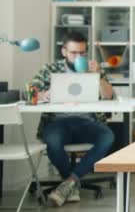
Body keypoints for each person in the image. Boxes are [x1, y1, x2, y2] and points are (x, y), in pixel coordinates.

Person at [28, 31, 115, 207]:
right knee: (52, 140)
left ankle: (69, 183)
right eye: (74, 53)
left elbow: (109, 96)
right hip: (58, 123)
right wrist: (45, 94)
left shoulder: (93, 69)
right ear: (64, 51)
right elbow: (31, 93)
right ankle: (71, 184)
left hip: (87, 123)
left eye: (82, 53)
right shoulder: (50, 69)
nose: (78, 57)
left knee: (107, 136)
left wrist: (97, 74)